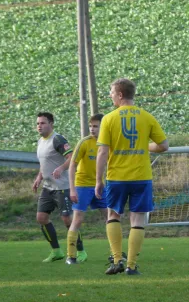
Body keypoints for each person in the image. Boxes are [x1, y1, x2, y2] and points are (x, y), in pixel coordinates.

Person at [96, 78, 169, 275]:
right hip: (141, 177)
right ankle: (131, 266)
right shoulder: (147, 117)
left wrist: (98, 180)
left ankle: (117, 259)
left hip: (117, 177)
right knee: (137, 220)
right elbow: (163, 146)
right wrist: (146, 146)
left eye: (111, 93)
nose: (110, 96)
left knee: (113, 215)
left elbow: (102, 152)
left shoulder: (109, 119)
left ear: (120, 95)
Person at [33, 112, 85, 262]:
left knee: (67, 220)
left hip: (63, 186)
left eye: (43, 123)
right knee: (41, 218)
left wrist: (62, 168)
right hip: (48, 187)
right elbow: (44, 164)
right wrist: (39, 177)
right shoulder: (40, 142)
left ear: (51, 124)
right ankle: (56, 251)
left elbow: (71, 158)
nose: (39, 126)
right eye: (38, 123)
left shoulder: (57, 139)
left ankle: (81, 251)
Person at [65, 114, 108, 264]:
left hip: (101, 186)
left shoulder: (108, 143)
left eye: (95, 126)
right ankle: (71, 256)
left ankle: (115, 254)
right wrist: (72, 189)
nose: (92, 129)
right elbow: (72, 165)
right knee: (77, 220)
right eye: (91, 126)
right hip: (82, 185)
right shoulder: (84, 143)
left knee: (110, 218)